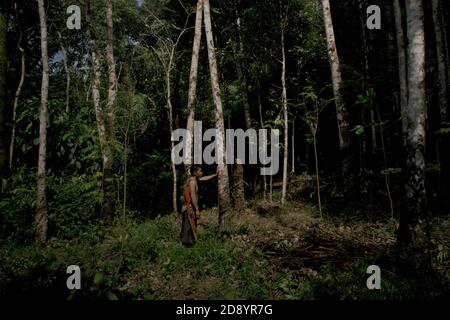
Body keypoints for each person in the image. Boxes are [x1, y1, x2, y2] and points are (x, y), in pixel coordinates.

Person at [180, 165, 218, 246]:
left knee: (188, 227)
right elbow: (193, 195)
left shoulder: (192, 179)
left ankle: (187, 245)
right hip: (189, 207)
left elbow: (203, 178)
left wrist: (214, 175)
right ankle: (187, 247)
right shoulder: (193, 182)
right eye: (200, 171)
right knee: (189, 227)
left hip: (187, 207)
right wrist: (196, 209)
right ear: (194, 172)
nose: (202, 173)